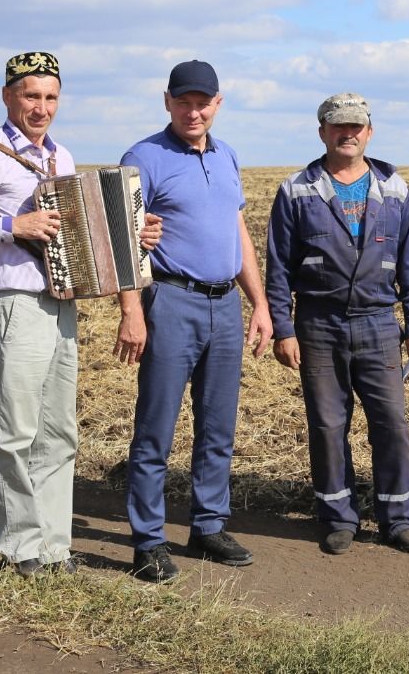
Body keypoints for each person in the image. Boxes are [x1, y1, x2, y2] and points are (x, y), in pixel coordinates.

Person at [0, 52, 160, 577]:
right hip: (16, 306)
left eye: (51, 97)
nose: (41, 107)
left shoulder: (62, 159)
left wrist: (132, 236)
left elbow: (77, 235)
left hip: (61, 306)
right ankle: (17, 546)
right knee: (16, 430)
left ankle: (53, 547)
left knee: (59, 432)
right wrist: (12, 225)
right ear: (8, 95)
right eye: (31, 95)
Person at [115, 60, 273, 583]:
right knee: (156, 428)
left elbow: (238, 231)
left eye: (203, 102)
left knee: (217, 427)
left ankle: (207, 526)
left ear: (218, 104)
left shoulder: (226, 156)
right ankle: (148, 540)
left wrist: (261, 304)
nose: (193, 111)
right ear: (167, 102)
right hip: (172, 301)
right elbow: (123, 239)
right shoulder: (144, 157)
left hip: (224, 304)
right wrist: (132, 312)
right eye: (184, 101)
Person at [266, 92, 409, 556]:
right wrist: (284, 328)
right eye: (338, 126)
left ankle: (397, 518)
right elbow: (278, 268)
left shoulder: (394, 189)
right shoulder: (297, 189)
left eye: (357, 126)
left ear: (369, 132)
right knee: (326, 425)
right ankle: (338, 516)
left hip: (379, 323)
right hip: (318, 324)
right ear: (322, 132)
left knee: (392, 423)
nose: (348, 133)